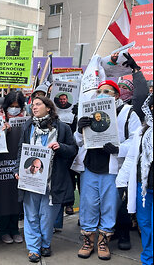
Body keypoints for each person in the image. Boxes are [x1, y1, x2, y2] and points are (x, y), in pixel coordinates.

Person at [74, 79, 141, 260]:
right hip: (90, 166)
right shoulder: (90, 111)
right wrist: (80, 129)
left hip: (112, 169)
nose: (102, 94)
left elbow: (136, 140)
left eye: (107, 91)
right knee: (88, 204)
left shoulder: (128, 113)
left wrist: (119, 149)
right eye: (100, 91)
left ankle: (103, 242)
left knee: (110, 205)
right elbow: (79, 141)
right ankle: (88, 240)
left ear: (117, 95)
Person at [14, 96, 77, 263]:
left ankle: (45, 244)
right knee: (31, 215)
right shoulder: (28, 126)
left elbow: (73, 150)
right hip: (30, 180)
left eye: (38, 104)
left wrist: (60, 147)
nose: (34, 107)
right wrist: (16, 170)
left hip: (52, 182)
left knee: (47, 217)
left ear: (48, 107)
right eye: (32, 105)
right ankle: (34, 248)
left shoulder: (63, 128)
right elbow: (21, 149)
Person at [117, 94, 153, 265]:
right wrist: (122, 181)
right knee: (145, 224)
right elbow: (132, 157)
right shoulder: (142, 131)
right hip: (144, 188)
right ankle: (148, 258)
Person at [0, 90, 26, 245]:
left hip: (18, 165)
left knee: (16, 198)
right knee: (3, 197)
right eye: (11, 106)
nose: (14, 109)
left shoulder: (26, 120)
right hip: (2, 166)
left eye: (17, 107)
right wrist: (3, 131)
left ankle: (14, 229)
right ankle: (3, 230)